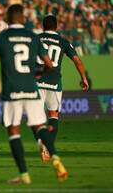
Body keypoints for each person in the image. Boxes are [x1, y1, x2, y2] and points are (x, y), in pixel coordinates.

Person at [0, 4, 68, 184]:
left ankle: (24, 175)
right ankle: (55, 158)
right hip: (31, 88)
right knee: (40, 127)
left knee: (14, 130)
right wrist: (38, 73)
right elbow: (49, 64)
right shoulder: (32, 36)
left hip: (11, 91)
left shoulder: (0, 38)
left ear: (7, 19)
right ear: (23, 18)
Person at [35, 15, 89, 162]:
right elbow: (77, 61)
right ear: (57, 26)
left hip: (37, 81)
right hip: (54, 83)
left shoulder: (35, 38)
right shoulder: (63, 41)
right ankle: (48, 146)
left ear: (42, 26)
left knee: (37, 117)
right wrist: (83, 78)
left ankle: (41, 142)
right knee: (53, 114)